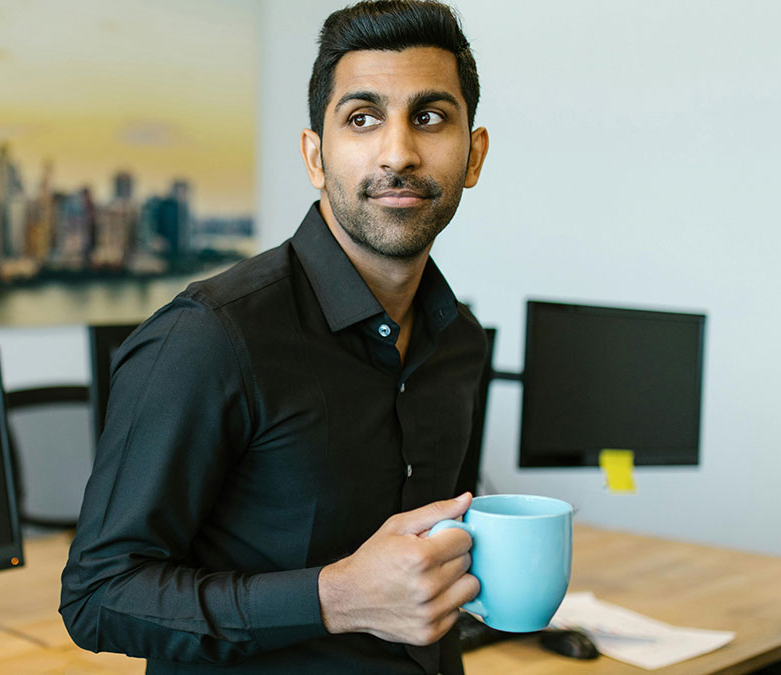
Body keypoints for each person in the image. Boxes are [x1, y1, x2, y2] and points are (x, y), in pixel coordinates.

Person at [60, 1, 491, 672]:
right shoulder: (208, 338)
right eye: (362, 118)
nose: (399, 151)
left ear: (473, 154)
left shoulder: (461, 341)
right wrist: (334, 596)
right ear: (316, 156)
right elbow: (97, 596)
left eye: (430, 117)